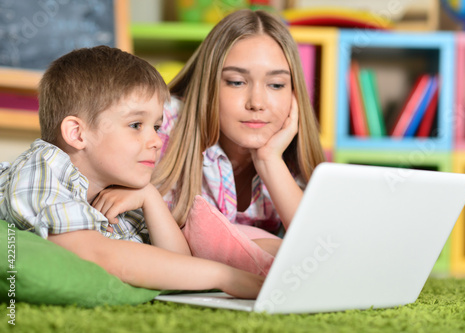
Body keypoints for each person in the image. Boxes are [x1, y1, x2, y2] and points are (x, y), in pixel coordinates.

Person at [0, 45, 263, 298]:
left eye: (157, 127)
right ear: (77, 133)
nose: (157, 141)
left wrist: (150, 198)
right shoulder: (41, 170)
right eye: (136, 124)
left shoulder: (118, 190)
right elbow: (99, 255)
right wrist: (225, 277)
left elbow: (177, 265)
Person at [152, 9, 325, 253]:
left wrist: (269, 160)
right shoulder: (161, 124)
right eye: (236, 82)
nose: (256, 102)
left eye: (276, 85)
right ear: (208, 84)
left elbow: (318, 251)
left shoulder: (298, 159)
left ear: (294, 95)